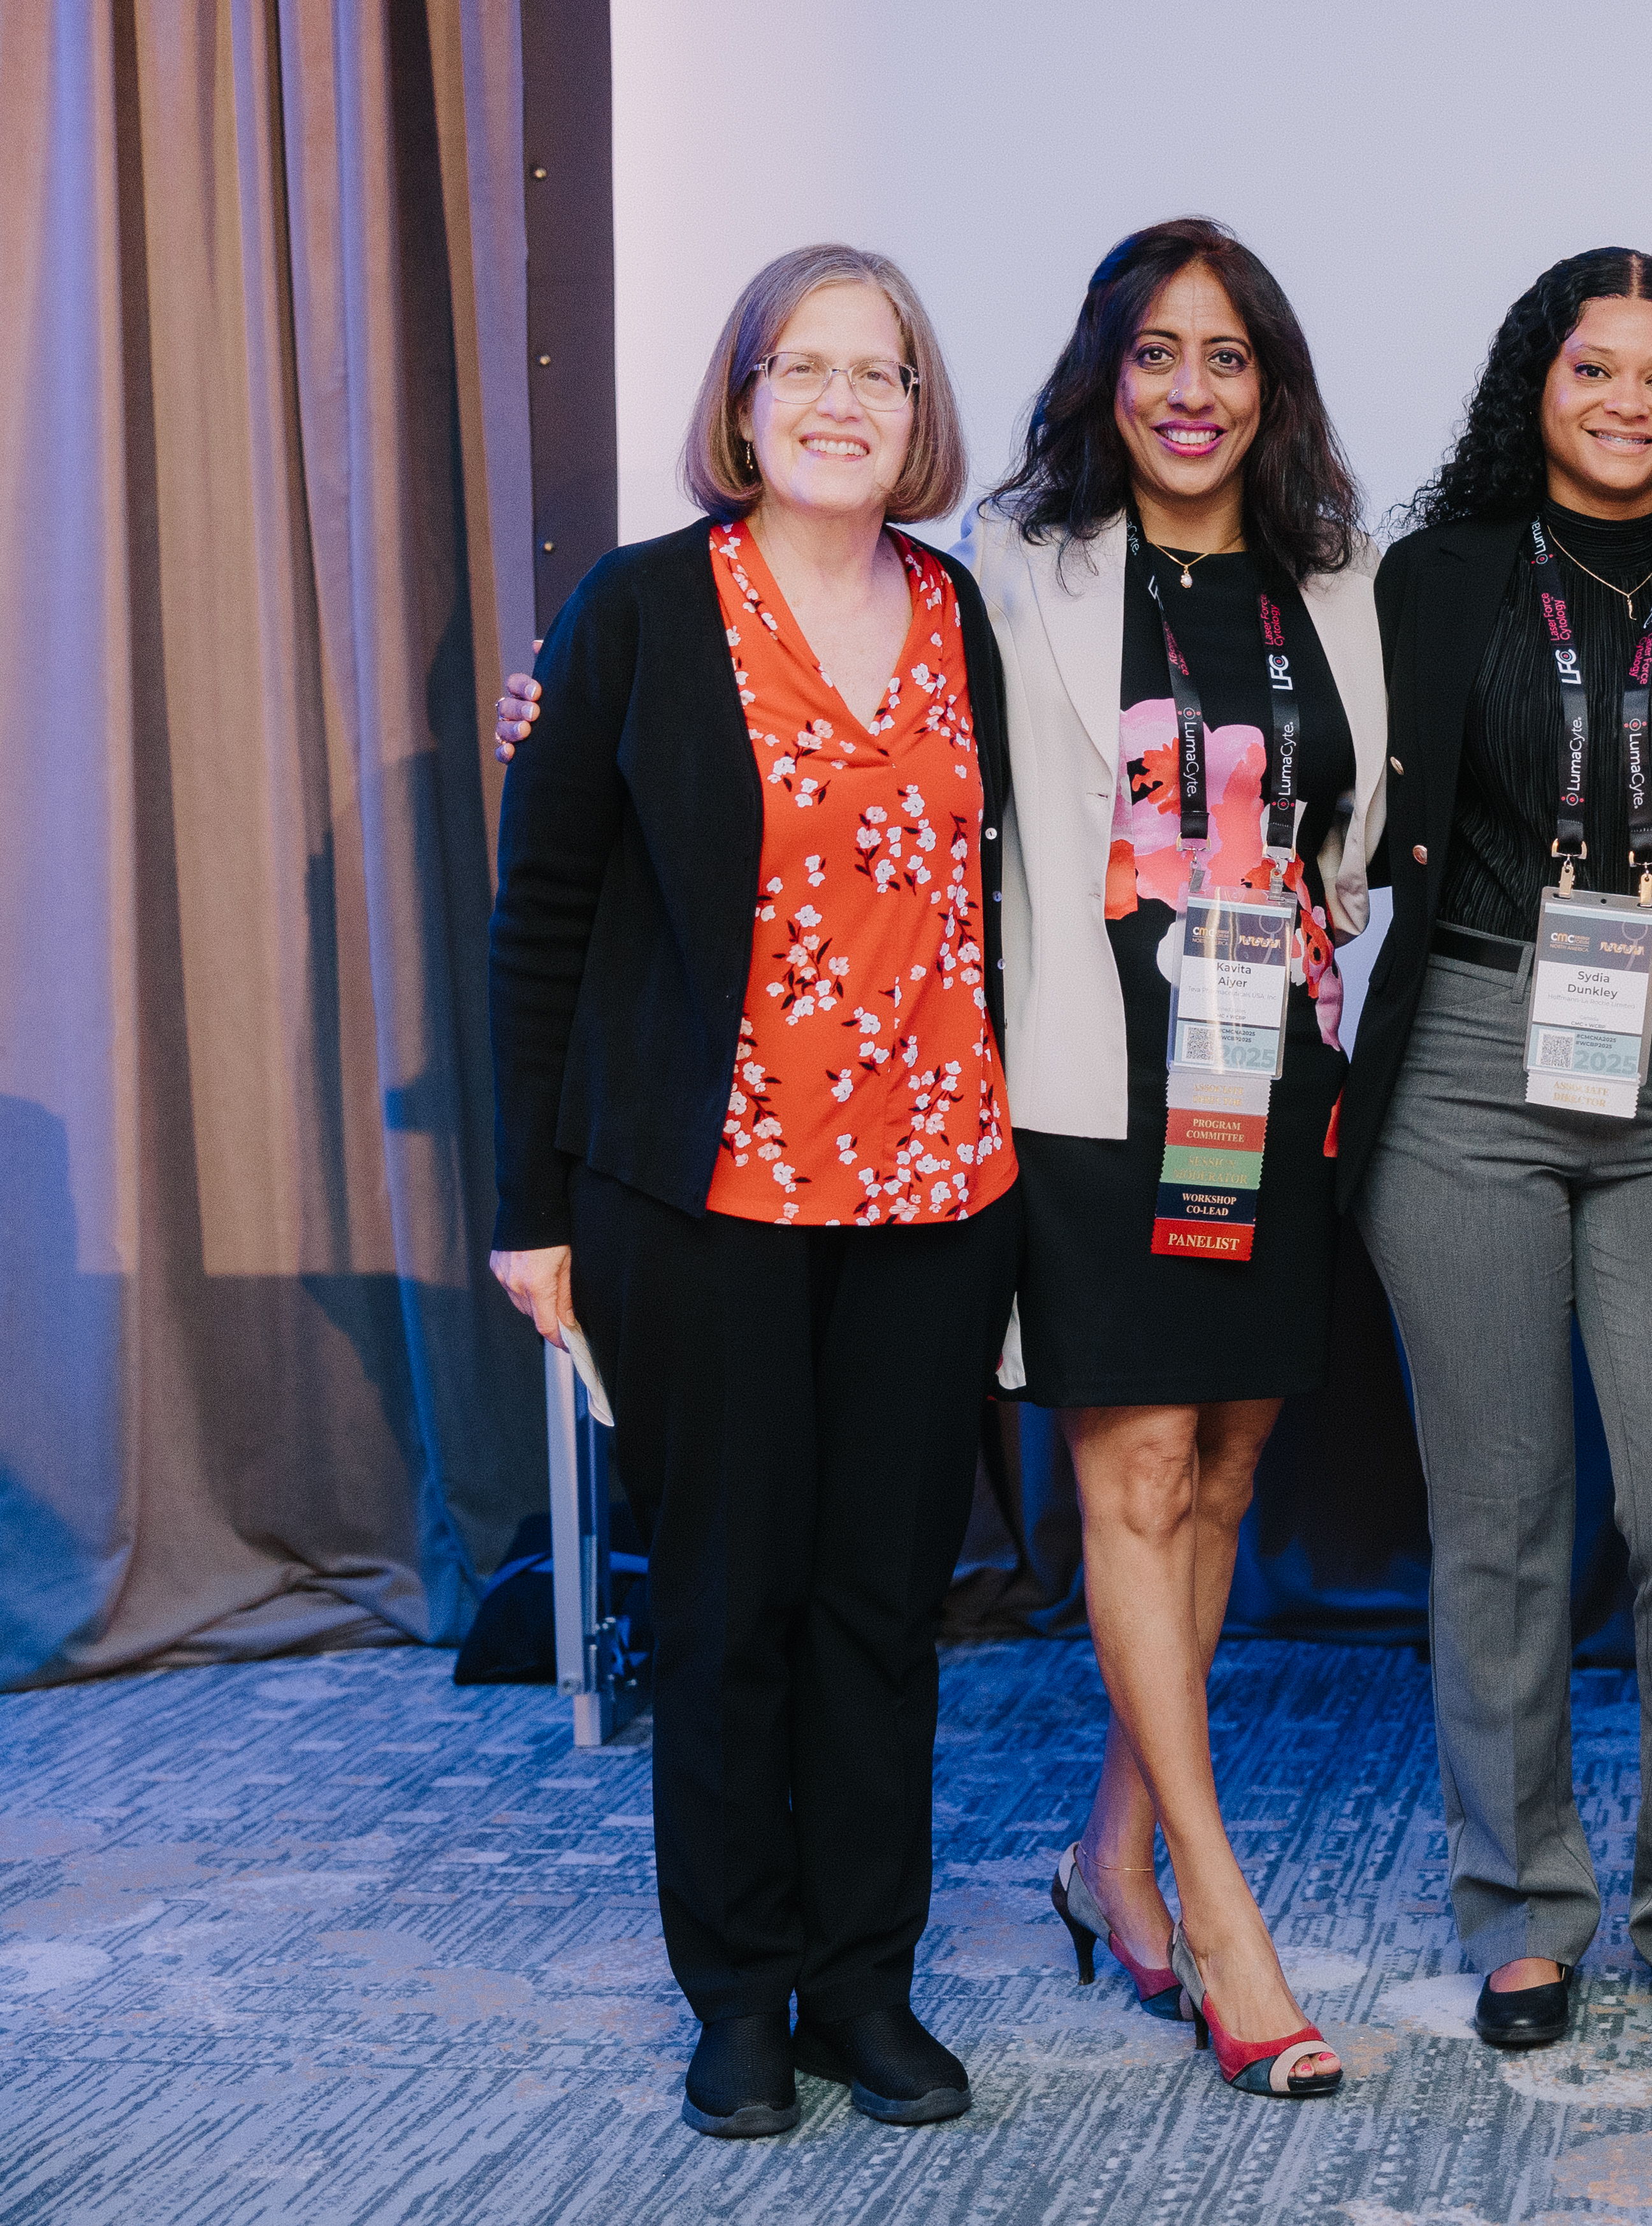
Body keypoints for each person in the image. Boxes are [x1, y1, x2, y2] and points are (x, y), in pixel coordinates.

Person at [487, 245, 1017, 2138]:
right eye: (806, 365)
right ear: (743, 397)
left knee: (882, 1607)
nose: (842, 401)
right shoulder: (636, 610)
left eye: (880, 373)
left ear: (918, 412)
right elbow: (541, 912)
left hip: (938, 1191)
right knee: (722, 1602)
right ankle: (735, 1992)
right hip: (695, 1191)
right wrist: (526, 1199)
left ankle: (865, 1984)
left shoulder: (963, 612)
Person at [1338, 247, 1652, 2052]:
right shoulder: (1433, 575)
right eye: (1594, 371)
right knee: (1500, 1520)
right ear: (1531, 385)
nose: (1628, 406)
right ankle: (1524, 1908)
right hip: (1470, 1057)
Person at [972, 217, 1382, 2102]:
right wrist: (570, 714)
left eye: (1227, 358)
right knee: (1132, 1470)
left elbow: (1353, 837)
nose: (1191, 391)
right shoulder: (1018, 570)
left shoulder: (1336, 574)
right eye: (1157, 354)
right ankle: (1221, 1910)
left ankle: (1107, 1852)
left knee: (1221, 1468)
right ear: (1105, 373)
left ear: (1269, 387)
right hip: (1096, 1081)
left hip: (1273, 1080)